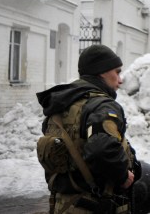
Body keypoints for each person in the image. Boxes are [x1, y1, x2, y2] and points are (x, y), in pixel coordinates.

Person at [36, 45, 137, 214]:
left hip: (63, 204)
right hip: (94, 204)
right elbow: (101, 148)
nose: (120, 80)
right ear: (102, 72)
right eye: (117, 72)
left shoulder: (63, 105)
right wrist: (123, 176)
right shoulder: (103, 106)